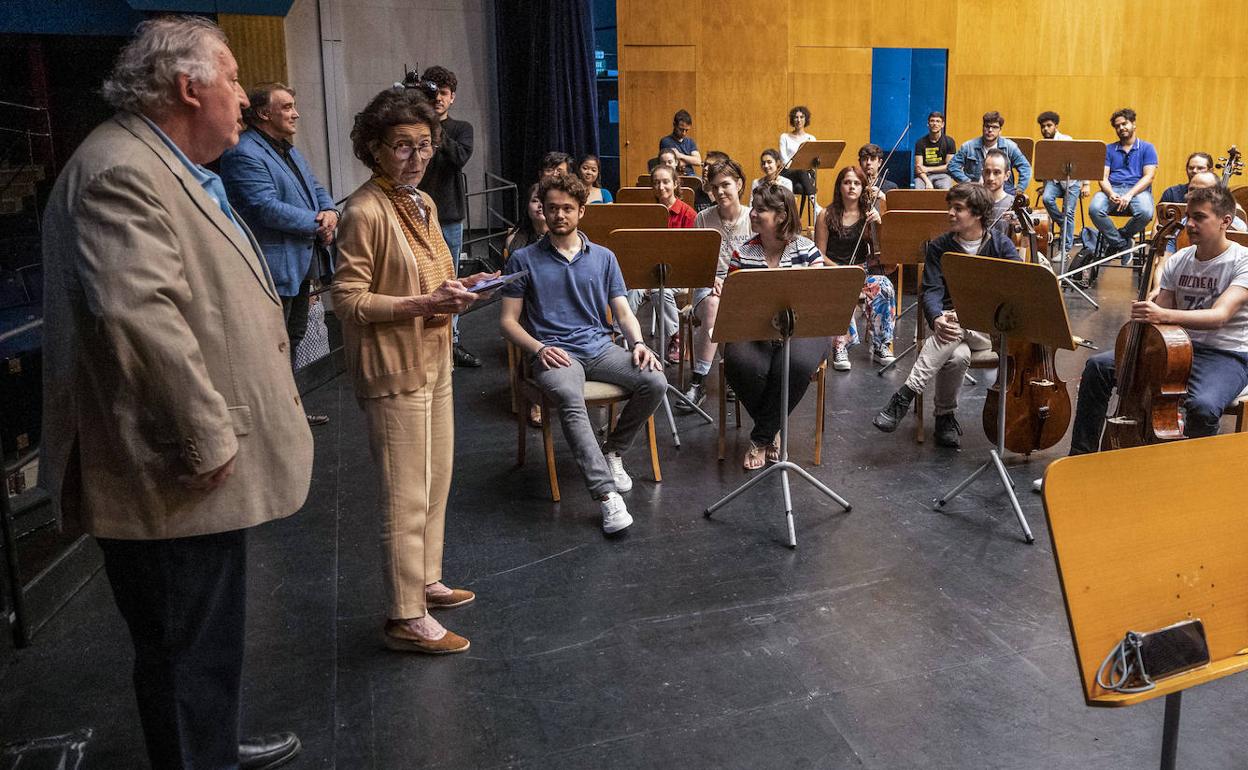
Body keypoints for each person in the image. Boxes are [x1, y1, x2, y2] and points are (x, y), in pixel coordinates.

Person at [41, 16, 310, 769]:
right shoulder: (122, 170)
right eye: (231, 80)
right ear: (189, 88)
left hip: (187, 468)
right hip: (172, 466)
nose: (242, 99)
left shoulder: (162, 162)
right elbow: (138, 317)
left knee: (203, 636)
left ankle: (211, 739)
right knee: (182, 642)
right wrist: (206, 437)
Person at [334, 88, 496, 654]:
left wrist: (463, 289)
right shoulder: (362, 210)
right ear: (374, 148)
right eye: (402, 146)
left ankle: (426, 580)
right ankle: (405, 616)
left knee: (435, 481)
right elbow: (349, 301)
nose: (417, 158)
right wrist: (420, 306)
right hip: (393, 366)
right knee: (403, 493)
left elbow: (434, 279)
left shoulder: (423, 204)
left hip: (433, 360)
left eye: (425, 146)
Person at [500, 171, 667, 534]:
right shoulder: (523, 259)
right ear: (542, 211)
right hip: (554, 353)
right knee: (569, 398)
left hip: (600, 347)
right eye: (552, 208)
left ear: (581, 212)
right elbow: (508, 322)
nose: (559, 215)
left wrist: (638, 344)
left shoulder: (604, 257)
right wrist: (539, 348)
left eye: (568, 209)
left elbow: (623, 311)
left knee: (654, 380)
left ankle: (614, 451)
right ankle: (607, 497)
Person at [1065, 183, 1248, 454]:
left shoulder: (1241, 260)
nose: (1190, 224)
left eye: (1200, 217)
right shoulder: (1181, 259)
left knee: (1203, 406)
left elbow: (1219, 316)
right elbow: (1162, 307)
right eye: (1189, 217)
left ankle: (1195, 479)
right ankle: (1080, 458)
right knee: (1097, 368)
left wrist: (1162, 313)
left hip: (1226, 354)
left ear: (1225, 221)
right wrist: (1149, 306)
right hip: (1176, 347)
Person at [219, 82, 338, 428]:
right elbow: (263, 207)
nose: (295, 113)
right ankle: (273, 417)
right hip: (273, 266)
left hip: (299, 264)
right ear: (262, 113)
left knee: (293, 338)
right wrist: (318, 223)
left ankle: (289, 411)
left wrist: (329, 211)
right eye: (286, 107)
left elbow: (314, 187)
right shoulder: (243, 152)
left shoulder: (287, 149)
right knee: (272, 346)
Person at [872, 183, 1020, 447]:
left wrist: (955, 318)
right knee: (957, 355)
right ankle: (944, 418)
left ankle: (906, 394)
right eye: (950, 207)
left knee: (957, 321)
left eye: (958, 208)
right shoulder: (940, 247)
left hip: (989, 331)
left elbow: (1020, 286)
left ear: (977, 213)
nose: (950, 213)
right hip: (950, 329)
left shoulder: (1001, 245)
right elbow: (931, 290)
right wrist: (937, 318)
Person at [723, 183, 831, 470]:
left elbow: (818, 300)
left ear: (782, 216)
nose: (753, 215)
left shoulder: (807, 251)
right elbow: (735, 304)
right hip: (756, 331)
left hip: (804, 331)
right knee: (739, 363)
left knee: (793, 364)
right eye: (754, 209)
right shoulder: (742, 253)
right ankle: (773, 428)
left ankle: (761, 436)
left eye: (760, 210)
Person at [411, 66, 480, 368]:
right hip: (414, 214)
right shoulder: (413, 127)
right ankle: (421, 343)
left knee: (450, 280)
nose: (437, 98)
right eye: (433, 92)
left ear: (452, 97)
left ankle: (450, 343)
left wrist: (435, 126)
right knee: (416, 280)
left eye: (443, 93)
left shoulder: (461, 128)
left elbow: (458, 158)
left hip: (449, 215)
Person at [678, 158, 753, 410]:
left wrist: (733, 283)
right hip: (708, 287)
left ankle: (729, 374)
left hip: (743, 288)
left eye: (726, 185)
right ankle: (700, 382)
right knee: (713, 305)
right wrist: (714, 281)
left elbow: (762, 262)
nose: (720, 192)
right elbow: (696, 264)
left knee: (720, 308)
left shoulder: (753, 217)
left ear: (739, 184)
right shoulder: (702, 218)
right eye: (714, 187)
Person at [814, 165, 895, 371]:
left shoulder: (869, 215)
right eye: (847, 182)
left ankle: (881, 345)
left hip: (863, 270)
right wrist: (842, 270)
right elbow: (819, 254)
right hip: (834, 271)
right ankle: (840, 346)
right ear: (839, 186)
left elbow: (883, 250)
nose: (852, 187)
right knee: (843, 290)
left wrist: (879, 223)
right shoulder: (825, 215)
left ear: (863, 188)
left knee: (884, 285)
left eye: (857, 183)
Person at [629, 164, 693, 364]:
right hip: (649, 271)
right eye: (656, 182)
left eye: (666, 181)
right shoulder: (647, 213)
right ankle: (623, 337)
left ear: (675, 183)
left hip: (678, 274)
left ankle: (676, 337)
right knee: (630, 289)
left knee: (660, 291)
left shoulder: (687, 214)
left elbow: (689, 253)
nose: (661, 186)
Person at [1089, 107, 1157, 254]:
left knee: (1146, 212)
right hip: (1113, 188)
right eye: (1117, 126)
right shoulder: (1108, 149)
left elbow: (1149, 177)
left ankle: (1122, 236)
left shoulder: (1147, 148)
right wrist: (1110, 193)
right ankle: (1121, 244)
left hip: (1137, 190)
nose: (1121, 128)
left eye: (1124, 124)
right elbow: (1102, 177)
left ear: (1133, 124)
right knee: (1094, 209)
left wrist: (1130, 194)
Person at [948, 111, 1032, 194]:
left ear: (1000, 130)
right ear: (983, 127)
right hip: (976, 191)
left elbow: (1025, 167)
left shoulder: (1010, 146)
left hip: (1004, 190)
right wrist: (968, 182)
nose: (990, 130)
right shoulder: (968, 146)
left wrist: (1020, 189)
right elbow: (952, 166)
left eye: (994, 127)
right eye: (987, 126)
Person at [1036, 110, 1081, 257]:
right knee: (1046, 198)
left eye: (1049, 125)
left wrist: (1086, 184)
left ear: (1056, 126)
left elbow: (1081, 160)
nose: (1046, 129)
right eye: (1043, 126)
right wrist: (1044, 185)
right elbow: (1044, 168)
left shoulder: (1066, 139)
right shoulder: (1043, 144)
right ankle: (1064, 224)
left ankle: (1065, 249)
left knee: (1069, 211)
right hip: (1054, 182)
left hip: (1071, 182)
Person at [779, 105, 817, 210]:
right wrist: (797, 167)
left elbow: (812, 160)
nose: (799, 120)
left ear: (806, 119)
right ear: (792, 119)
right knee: (801, 171)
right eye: (796, 117)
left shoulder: (811, 138)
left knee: (800, 186)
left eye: (802, 117)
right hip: (787, 173)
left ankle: (795, 219)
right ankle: (815, 204)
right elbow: (784, 159)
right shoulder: (784, 137)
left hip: (804, 175)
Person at [913, 111, 956, 190]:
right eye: (932, 121)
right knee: (918, 191)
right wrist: (927, 182)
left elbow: (949, 167)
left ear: (942, 125)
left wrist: (928, 169)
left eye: (938, 121)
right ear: (928, 124)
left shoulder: (949, 141)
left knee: (946, 190)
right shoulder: (920, 143)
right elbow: (918, 168)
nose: (935, 124)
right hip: (923, 176)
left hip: (942, 175)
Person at [504, 182, 547, 258]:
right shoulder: (513, 240)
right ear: (527, 206)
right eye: (535, 201)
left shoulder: (563, 238)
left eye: (545, 200)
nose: (540, 205)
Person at [981, 148, 1018, 239]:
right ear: (982, 173)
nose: (991, 178)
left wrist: (1017, 225)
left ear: (1007, 176)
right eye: (987, 172)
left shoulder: (1014, 204)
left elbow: (1021, 244)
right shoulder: (974, 202)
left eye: (996, 172)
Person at [658, 108, 701, 175]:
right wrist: (690, 160)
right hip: (673, 175)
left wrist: (680, 155)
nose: (684, 133)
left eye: (686, 130)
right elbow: (677, 163)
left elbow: (698, 161)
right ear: (674, 125)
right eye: (681, 129)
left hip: (691, 176)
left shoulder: (690, 141)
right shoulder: (666, 141)